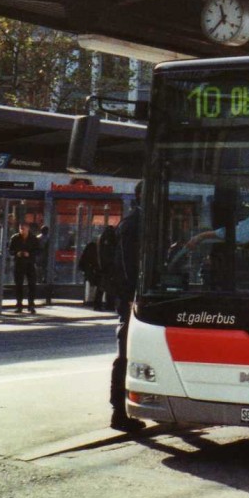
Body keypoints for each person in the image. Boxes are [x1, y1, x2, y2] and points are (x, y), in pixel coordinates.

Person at [111, 182, 145, 433]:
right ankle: (119, 412)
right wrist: (132, 296)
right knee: (125, 354)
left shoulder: (142, 221)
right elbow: (125, 265)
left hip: (138, 296)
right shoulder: (132, 223)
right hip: (132, 299)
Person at [7, 222, 40, 314]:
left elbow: (38, 250)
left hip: (30, 264)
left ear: (28, 229)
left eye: (23, 229)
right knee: (18, 285)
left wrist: (29, 254)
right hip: (19, 264)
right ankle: (19, 305)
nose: (22, 231)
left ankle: (31, 305)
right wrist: (16, 253)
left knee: (32, 285)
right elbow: (10, 250)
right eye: (20, 229)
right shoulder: (15, 238)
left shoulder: (33, 238)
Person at [35, 224, 51, 306]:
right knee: (44, 268)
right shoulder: (48, 238)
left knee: (40, 268)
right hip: (44, 256)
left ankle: (40, 279)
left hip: (39, 256)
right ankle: (43, 279)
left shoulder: (38, 237)